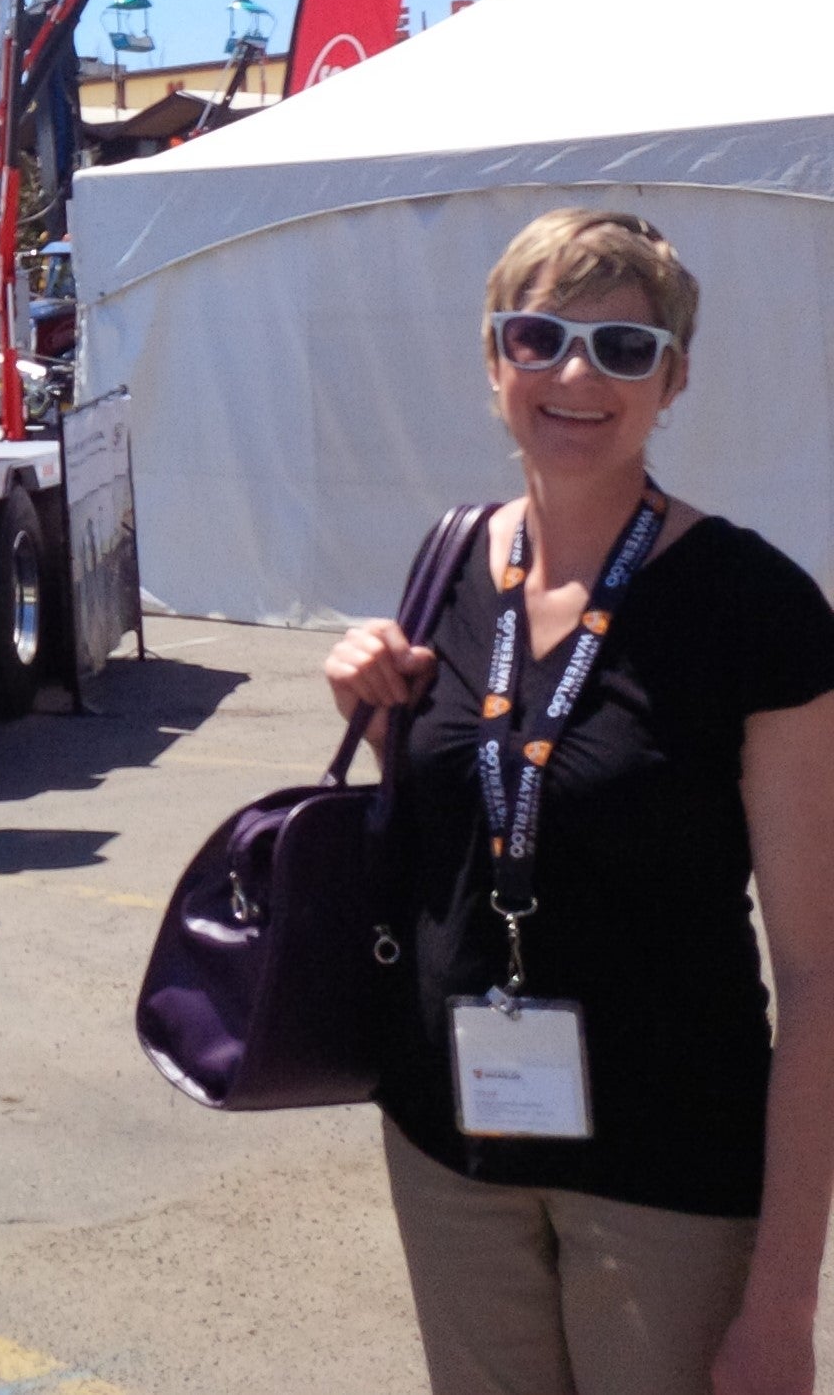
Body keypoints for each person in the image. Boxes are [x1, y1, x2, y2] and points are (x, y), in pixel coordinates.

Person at [326, 209, 834, 1395]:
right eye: (540, 336)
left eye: (623, 348)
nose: (574, 374)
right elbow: (459, 826)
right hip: (448, 1145)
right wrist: (374, 699)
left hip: (667, 1167)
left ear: (676, 379)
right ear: (494, 359)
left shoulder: (756, 607)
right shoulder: (450, 562)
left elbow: (816, 973)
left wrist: (782, 1304)